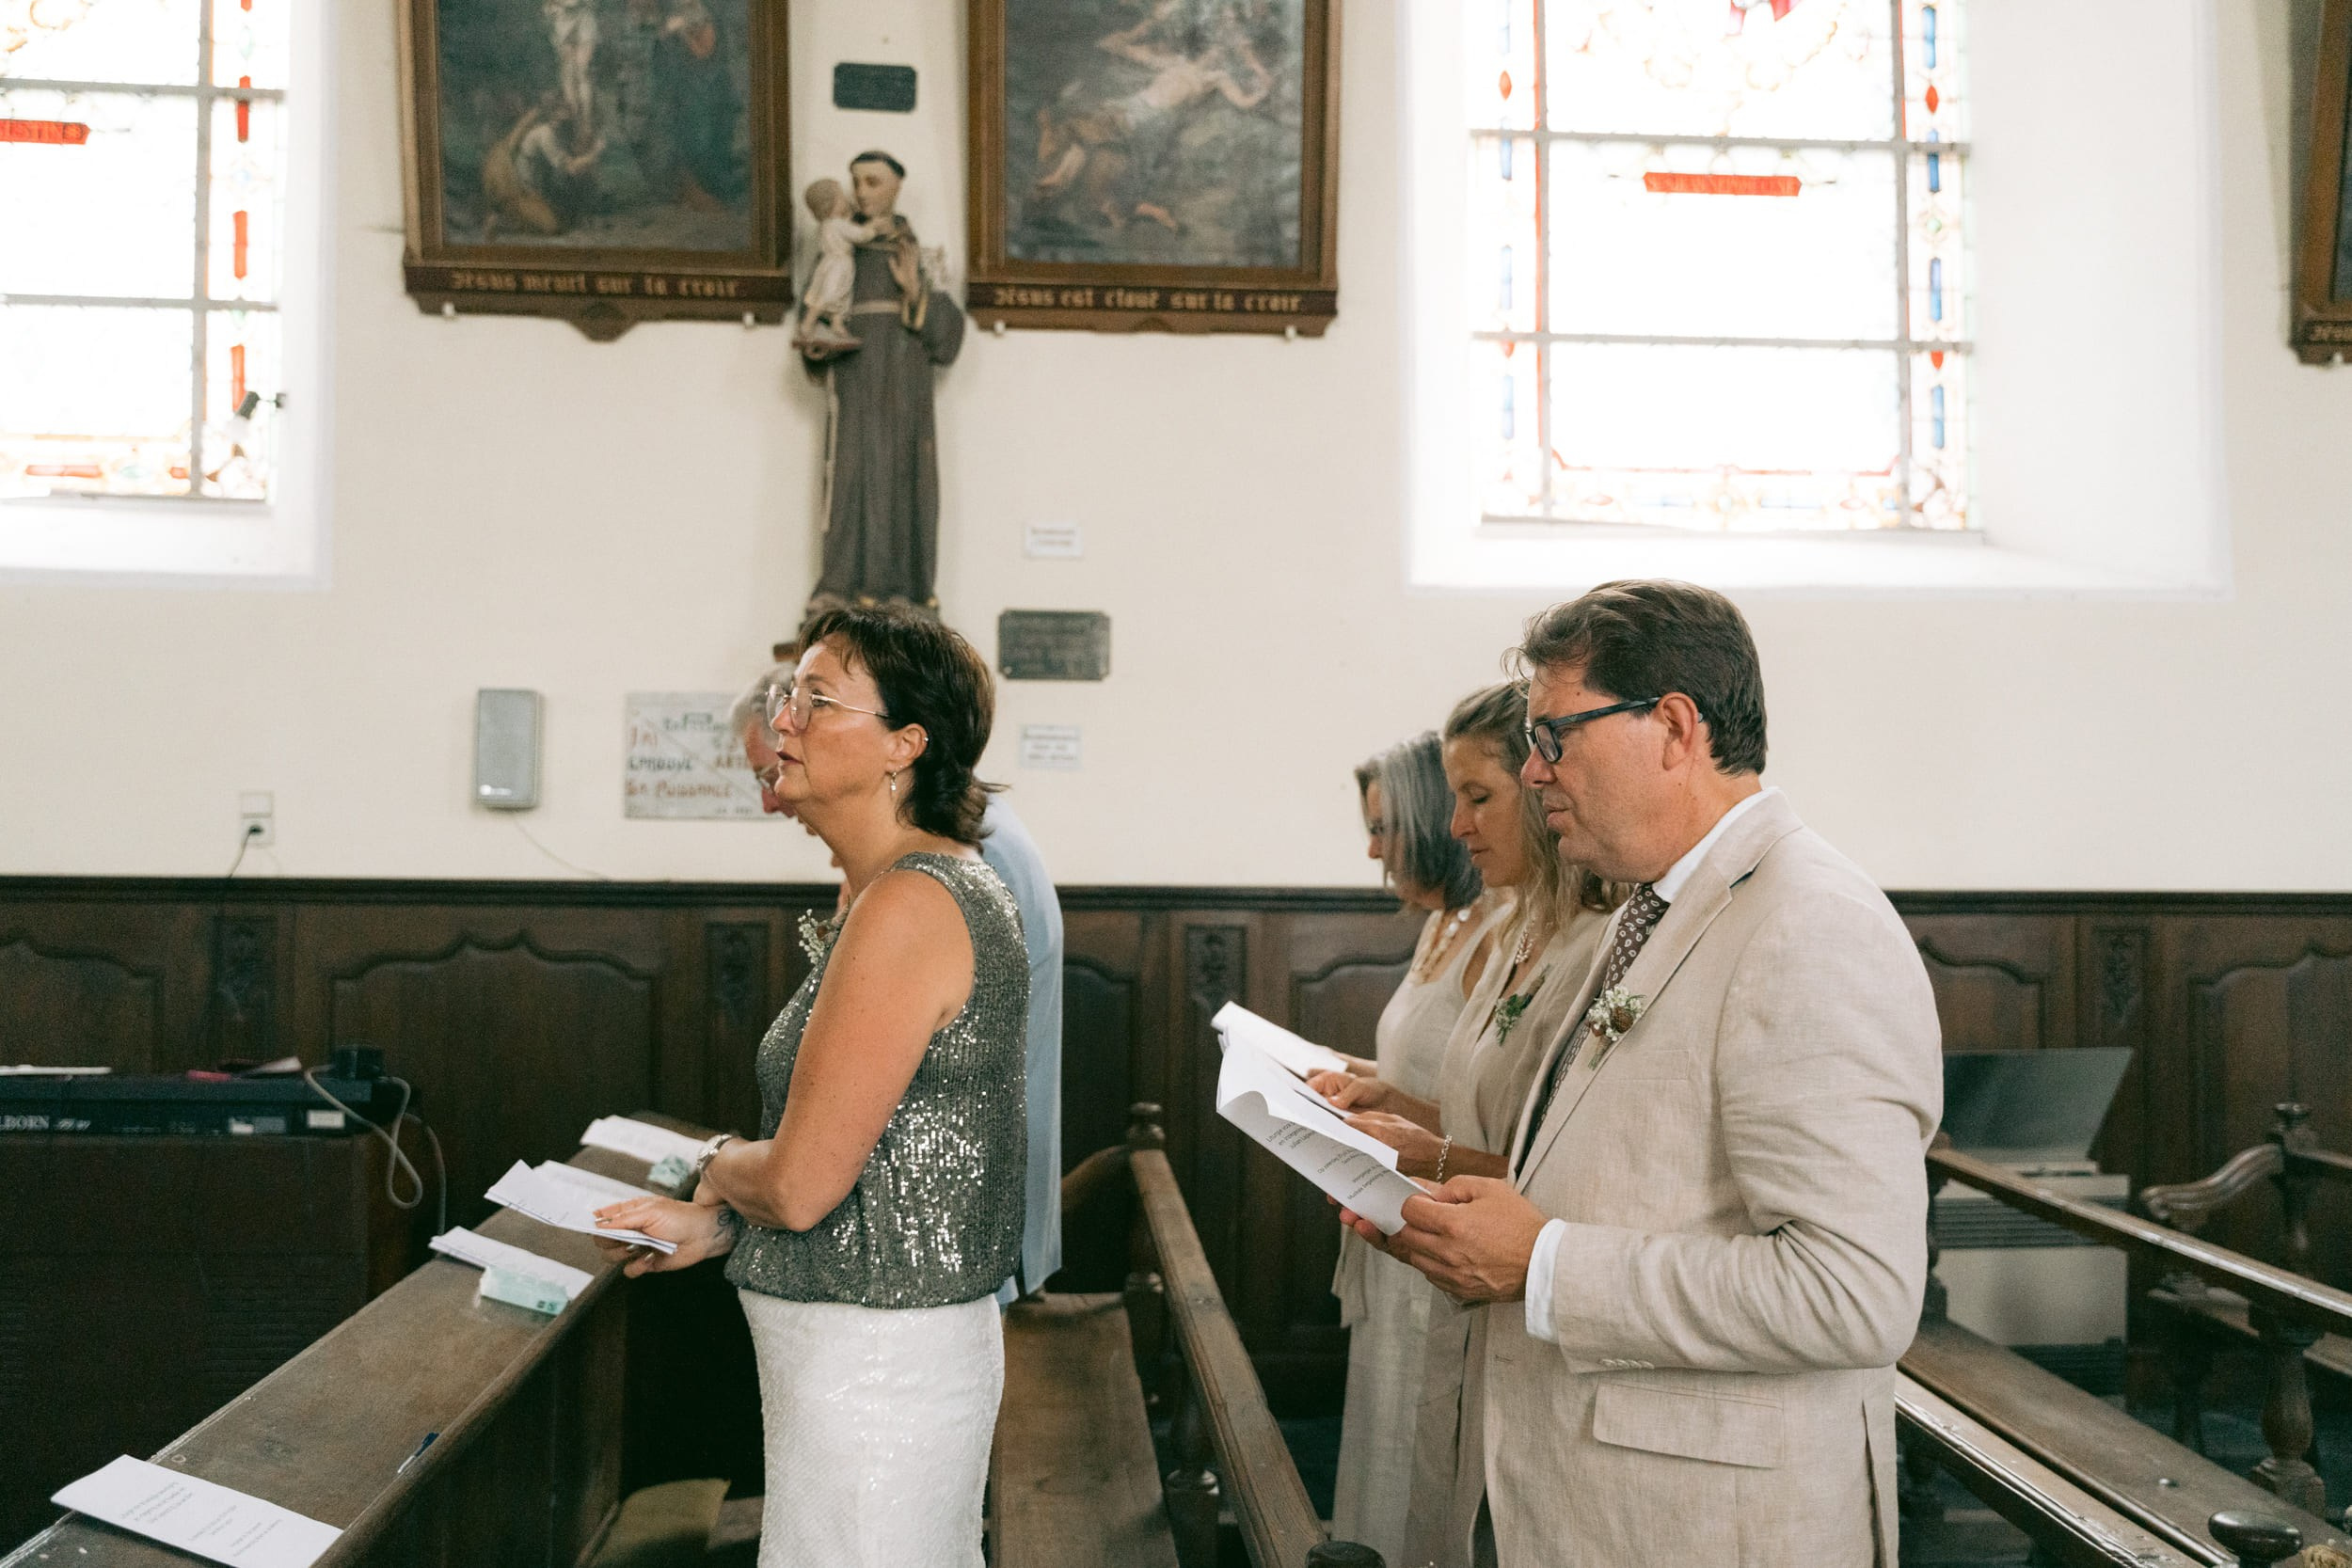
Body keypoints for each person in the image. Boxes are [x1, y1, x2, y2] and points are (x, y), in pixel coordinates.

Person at [1342, 580, 1941, 1567]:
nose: (1536, 774)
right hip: (1592, 1495)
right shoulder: (1650, 908)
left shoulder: (1808, 923)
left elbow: (1853, 1290)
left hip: (1707, 1525)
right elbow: (1631, 1171)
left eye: (1554, 737)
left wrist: (1540, 1263)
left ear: (1671, 726)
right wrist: (1462, 1202)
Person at [596, 605, 1028, 1568]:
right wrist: (718, 1224)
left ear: (901, 745)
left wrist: (714, 1165)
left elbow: (799, 1182)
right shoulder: (893, 888)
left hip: (875, 1376)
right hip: (859, 1361)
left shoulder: (914, 903)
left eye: (817, 698)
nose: (782, 720)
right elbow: (874, 1157)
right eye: (791, 694)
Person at [1313, 685, 1617, 1568]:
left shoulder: (1583, 940)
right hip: (1445, 1239)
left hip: (1502, 1263)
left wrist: (1422, 1142)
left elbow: (1544, 1153)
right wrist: (1386, 1103)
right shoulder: (1524, 928)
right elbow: (1457, 1087)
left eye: (1477, 798)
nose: (1456, 825)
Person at [726, 657, 1064, 1305]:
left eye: (773, 769)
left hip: (928, 1244)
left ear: (899, 746)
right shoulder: (923, 858)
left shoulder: (929, 881)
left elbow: (834, 1157)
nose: (771, 796)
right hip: (913, 1245)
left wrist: (716, 1163)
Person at [1322, 733, 1502, 1566]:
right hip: (1392, 1211)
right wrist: (1349, 1077)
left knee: (1414, 1455)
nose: (1371, 848)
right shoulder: (1443, 924)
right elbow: (1415, 1068)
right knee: (1381, 1434)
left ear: (1430, 822)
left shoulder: (1495, 933)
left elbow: (1494, 1126)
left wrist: (1390, 1100)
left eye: (1384, 825)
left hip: (1436, 1215)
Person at [802, 152, 965, 619]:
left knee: (906, 478)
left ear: (895, 188)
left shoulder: (912, 251)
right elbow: (811, 315)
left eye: (873, 182)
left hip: (906, 387)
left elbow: (949, 337)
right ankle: (840, 590)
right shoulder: (840, 248)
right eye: (856, 182)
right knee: (850, 478)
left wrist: (916, 293)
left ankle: (905, 592)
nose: (862, 192)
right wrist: (815, 341)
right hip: (855, 382)